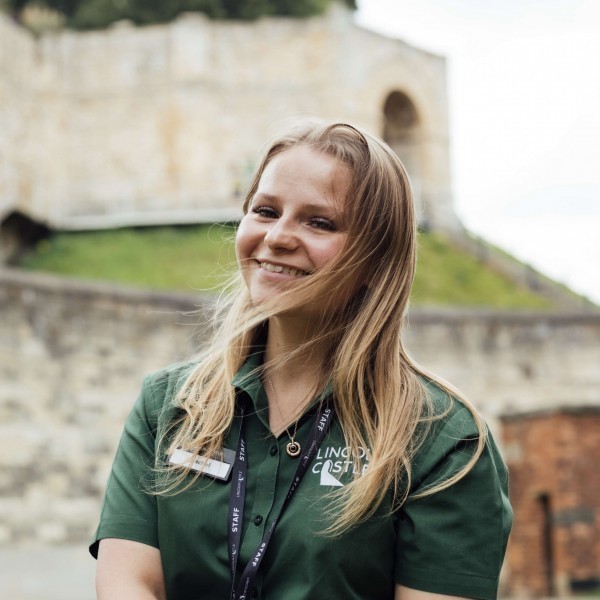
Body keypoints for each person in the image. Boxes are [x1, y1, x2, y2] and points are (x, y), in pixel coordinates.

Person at [90, 120, 512, 600]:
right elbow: (129, 584)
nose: (278, 237)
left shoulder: (444, 441)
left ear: (377, 257)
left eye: (319, 222)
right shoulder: (168, 405)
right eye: (266, 211)